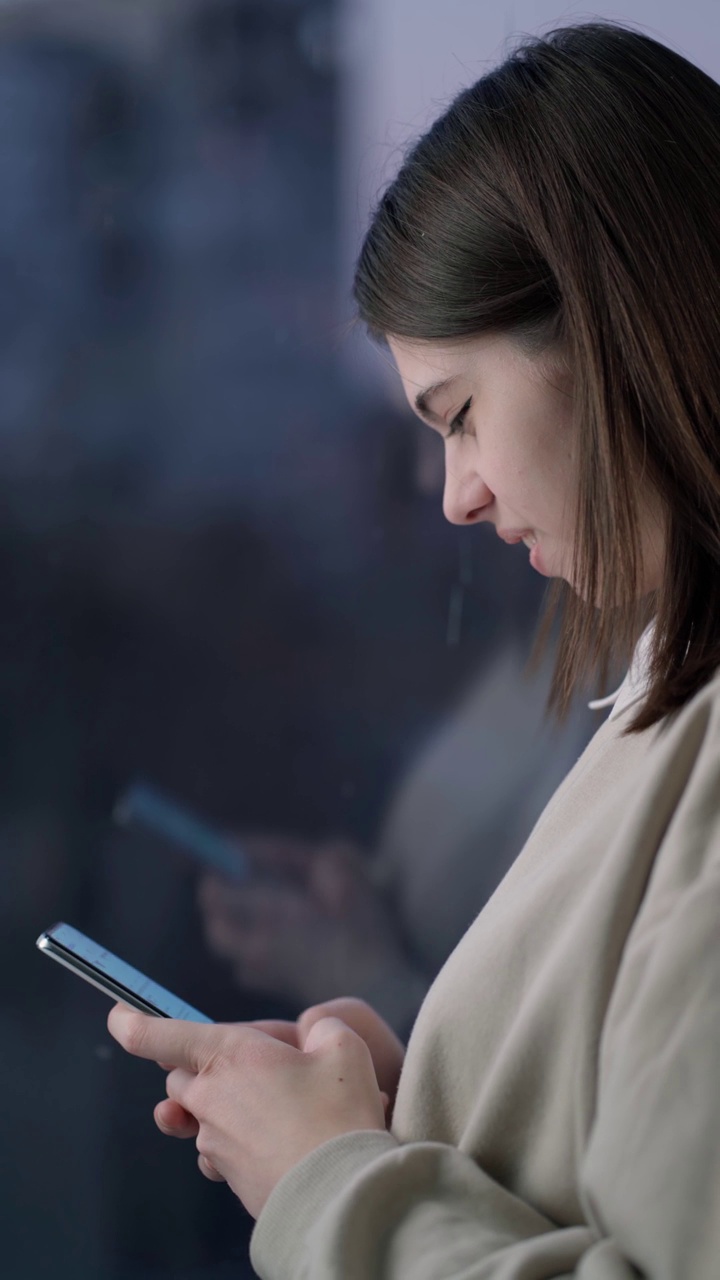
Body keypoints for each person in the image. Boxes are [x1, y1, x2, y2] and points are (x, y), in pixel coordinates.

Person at [107, 20, 720, 1277]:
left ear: (610, 329)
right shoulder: (669, 684)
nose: (458, 497)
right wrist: (426, 1088)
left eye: (462, 415)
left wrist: (332, 1183)